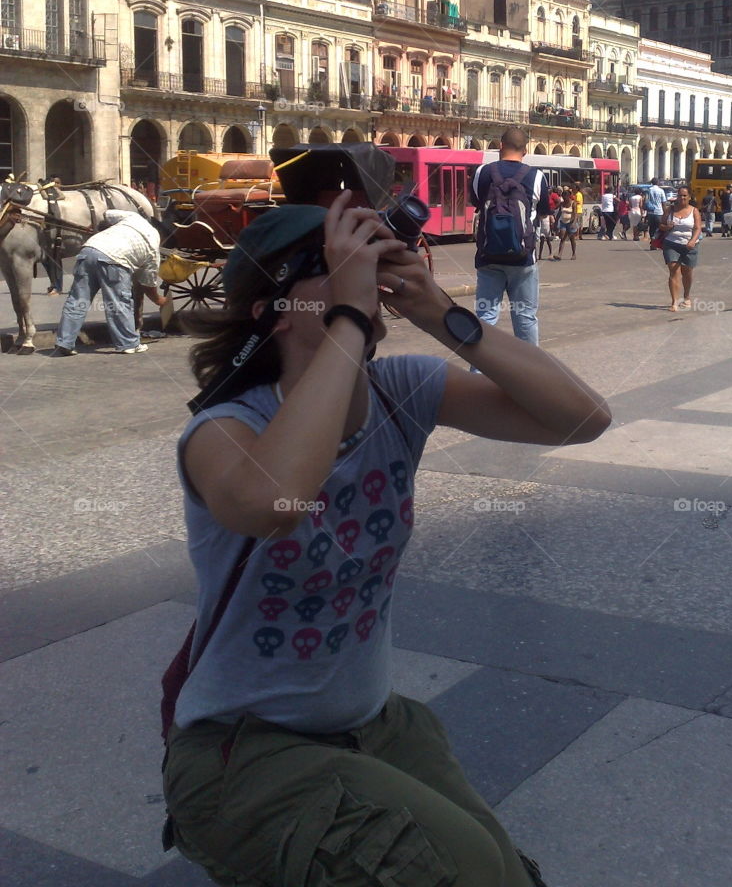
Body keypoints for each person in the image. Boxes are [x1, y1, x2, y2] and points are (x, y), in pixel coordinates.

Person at [162, 196, 611, 887]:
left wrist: (439, 312)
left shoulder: (401, 389)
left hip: (374, 727)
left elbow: (581, 417)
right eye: (330, 263)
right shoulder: (225, 430)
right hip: (244, 756)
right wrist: (348, 316)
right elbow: (272, 504)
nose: (359, 271)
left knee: (505, 872)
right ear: (274, 312)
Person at [470, 127, 551, 345]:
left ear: (500, 145)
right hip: (523, 259)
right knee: (525, 318)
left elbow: (477, 204)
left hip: (488, 257)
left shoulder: (482, 173)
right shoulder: (536, 176)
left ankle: (478, 375)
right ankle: (529, 374)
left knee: (485, 318)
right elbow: (543, 212)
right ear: (525, 150)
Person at [51, 210, 163, 356]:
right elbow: (148, 284)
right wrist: (160, 300)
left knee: (77, 300)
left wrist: (102, 227)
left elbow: (107, 213)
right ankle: (128, 343)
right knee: (118, 303)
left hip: (88, 250)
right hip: (115, 260)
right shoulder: (154, 248)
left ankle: (64, 342)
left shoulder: (133, 217)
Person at [660, 184, 702, 311]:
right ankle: (674, 302)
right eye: (679, 195)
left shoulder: (694, 211)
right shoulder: (670, 210)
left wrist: (693, 241)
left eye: (684, 195)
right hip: (671, 243)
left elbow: (698, 228)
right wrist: (667, 227)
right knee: (673, 270)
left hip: (689, 245)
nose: (682, 198)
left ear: (689, 197)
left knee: (687, 272)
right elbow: (661, 225)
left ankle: (687, 296)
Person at [554, 186, 578, 259]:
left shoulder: (573, 203)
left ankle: (574, 254)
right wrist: (555, 222)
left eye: (565, 197)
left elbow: (575, 214)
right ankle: (559, 254)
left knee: (572, 239)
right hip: (563, 222)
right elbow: (559, 213)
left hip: (571, 222)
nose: (564, 198)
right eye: (563, 197)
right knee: (562, 237)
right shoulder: (562, 204)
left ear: (569, 196)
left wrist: (573, 223)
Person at [538, 186, 561, 261]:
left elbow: (555, 205)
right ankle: (540, 255)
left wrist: (552, 210)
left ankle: (550, 253)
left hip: (546, 219)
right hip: (541, 220)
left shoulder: (551, 198)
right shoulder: (542, 200)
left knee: (547, 239)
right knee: (541, 239)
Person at [644, 178, 666, 246]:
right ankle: (656, 241)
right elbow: (664, 202)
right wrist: (665, 212)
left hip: (650, 212)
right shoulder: (661, 190)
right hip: (659, 212)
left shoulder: (648, 190)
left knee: (651, 228)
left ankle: (652, 241)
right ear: (658, 183)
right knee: (659, 228)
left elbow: (646, 201)